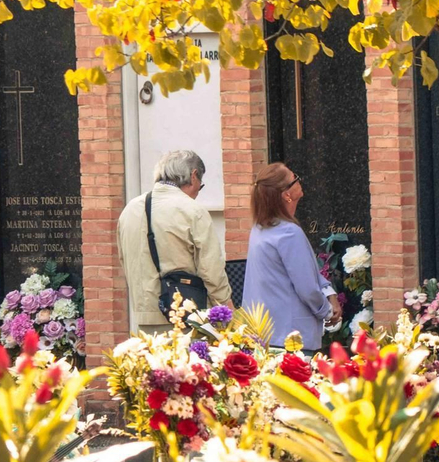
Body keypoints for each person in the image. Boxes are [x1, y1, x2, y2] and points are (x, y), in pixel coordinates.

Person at [116, 149, 232, 330]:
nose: (197, 193)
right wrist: (225, 308)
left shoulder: (129, 210)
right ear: (194, 176)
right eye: (200, 187)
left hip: (145, 319)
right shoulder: (193, 211)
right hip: (189, 318)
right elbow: (211, 270)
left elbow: (125, 261)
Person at [242, 163, 341, 347]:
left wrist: (329, 292)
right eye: (294, 178)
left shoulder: (260, 228)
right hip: (292, 337)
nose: (299, 181)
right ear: (286, 194)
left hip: (265, 334)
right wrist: (326, 311)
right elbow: (307, 287)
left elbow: (306, 273)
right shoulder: (288, 233)